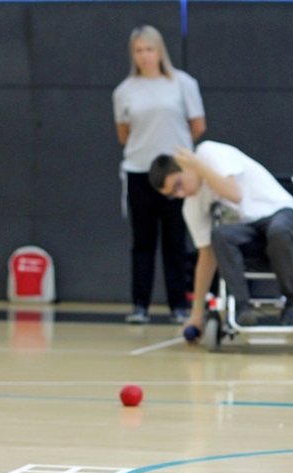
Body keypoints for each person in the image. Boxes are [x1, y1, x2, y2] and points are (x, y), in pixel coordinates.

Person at [149, 142, 293, 332]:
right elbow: (206, 257)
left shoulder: (209, 152)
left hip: (280, 212)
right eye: (173, 194)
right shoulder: (191, 207)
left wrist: (198, 165)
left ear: (186, 164)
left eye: (179, 185)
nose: (181, 194)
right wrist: (196, 316)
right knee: (220, 235)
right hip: (249, 229)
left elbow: (234, 194)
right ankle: (241, 307)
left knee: (278, 231)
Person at [113, 25, 206, 324]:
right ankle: (140, 305)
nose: (145, 56)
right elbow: (123, 134)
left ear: (160, 51)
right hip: (140, 172)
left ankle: (179, 305)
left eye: (149, 49)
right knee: (143, 241)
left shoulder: (183, 83)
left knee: (175, 241)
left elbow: (198, 126)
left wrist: (176, 152)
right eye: (139, 51)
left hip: (176, 174)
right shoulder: (124, 91)